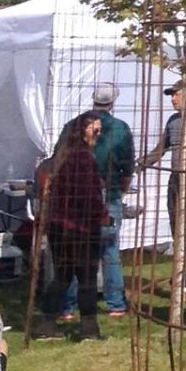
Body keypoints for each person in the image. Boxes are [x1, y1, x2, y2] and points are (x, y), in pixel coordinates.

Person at [32, 112, 110, 339]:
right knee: (86, 278)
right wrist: (102, 215)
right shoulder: (83, 159)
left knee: (63, 275)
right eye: (94, 129)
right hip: (79, 227)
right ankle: (89, 330)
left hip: (59, 226)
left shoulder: (62, 157)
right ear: (82, 131)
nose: (98, 133)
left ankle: (46, 326)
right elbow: (89, 195)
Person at [141, 80, 186, 290]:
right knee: (177, 231)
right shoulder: (173, 121)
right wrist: (138, 166)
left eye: (176, 94)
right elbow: (160, 149)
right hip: (175, 181)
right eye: (171, 95)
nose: (173, 99)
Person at [89, 84, 136, 319]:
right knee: (109, 249)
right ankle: (116, 304)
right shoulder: (120, 128)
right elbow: (127, 166)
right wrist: (121, 192)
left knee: (76, 248)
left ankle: (68, 304)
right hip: (109, 193)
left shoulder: (75, 125)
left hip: (80, 193)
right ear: (112, 103)